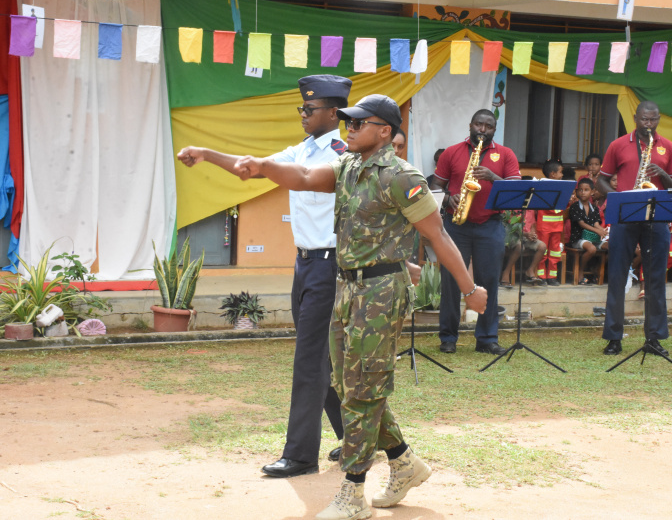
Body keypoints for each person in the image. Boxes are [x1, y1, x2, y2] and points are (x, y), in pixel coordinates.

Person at [232, 94, 489, 518]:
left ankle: (352, 493)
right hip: (346, 287)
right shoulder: (348, 166)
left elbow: (437, 235)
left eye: (358, 123)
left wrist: (469, 288)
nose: (348, 129)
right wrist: (262, 166)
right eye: (347, 123)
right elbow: (302, 175)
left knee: (363, 388)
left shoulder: (402, 177)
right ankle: (404, 461)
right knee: (346, 384)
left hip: (382, 292)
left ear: (384, 131)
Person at [177, 75, 351, 479]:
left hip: (329, 266)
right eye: (301, 108)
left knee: (310, 361)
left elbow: (300, 175)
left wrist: (261, 166)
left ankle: (301, 455)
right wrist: (207, 154)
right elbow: (253, 168)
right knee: (323, 359)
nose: (303, 114)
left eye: (310, 109)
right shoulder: (302, 148)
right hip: (305, 265)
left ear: (333, 113)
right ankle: (358, 436)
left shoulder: (339, 155)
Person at [430, 109, 521, 355]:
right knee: (451, 281)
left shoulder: (506, 154)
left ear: (494, 130)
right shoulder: (452, 152)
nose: (482, 129)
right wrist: (448, 198)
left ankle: (487, 339)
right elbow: (435, 185)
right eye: (479, 124)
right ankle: (448, 337)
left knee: (488, 281)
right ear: (470, 125)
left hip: (490, 224)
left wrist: (493, 176)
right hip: (455, 225)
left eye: (488, 126)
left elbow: (516, 189)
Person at [596, 101, 672, 356]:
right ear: (635, 118)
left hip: (657, 219)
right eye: (644, 119)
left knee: (655, 280)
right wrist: (617, 199)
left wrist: (663, 175)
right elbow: (601, 179)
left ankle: (654, 338)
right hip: (625, 217)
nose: (649, 124)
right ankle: (613, 338)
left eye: (653, 120)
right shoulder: (618, 144)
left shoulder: (668, 147)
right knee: (617, 278)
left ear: (658, 119)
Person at [568, 178, 608, 284]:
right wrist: (598, 231)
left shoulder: (594, 208)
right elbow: (582, 224)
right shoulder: (575, 207)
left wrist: (604, 231)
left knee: (612, 247)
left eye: (586, 190)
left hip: (593, 238)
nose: (583, 192)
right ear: (577, 192)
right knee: (591, 249)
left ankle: (596, 268)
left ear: (592, 192)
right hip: (579, 238)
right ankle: (580, 270)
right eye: (580, 190)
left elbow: (596, 224)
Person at [535, 159, 565, 285]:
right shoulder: (543, 187)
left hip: (557, 227)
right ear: (553, 174)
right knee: (543, 252)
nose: (562, 175)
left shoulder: (562, 187)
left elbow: (563, 205)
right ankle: (541, 276)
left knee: (555, 252)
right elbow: (545, 205)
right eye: (560, 172)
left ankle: (552, 277)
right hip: (544, 227)